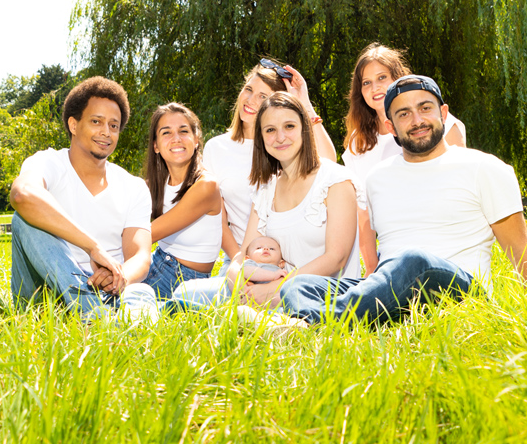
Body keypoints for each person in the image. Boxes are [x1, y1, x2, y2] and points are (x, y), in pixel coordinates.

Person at [281, 75, 527, 325]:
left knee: (414, 261)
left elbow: (521, 251)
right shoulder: (376, 179)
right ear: (391, 126)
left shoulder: (484, 168)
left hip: (459, 292)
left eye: (425, 108)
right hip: (394, 288)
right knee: (298, 284)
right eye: (404, 114)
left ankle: (312, 321)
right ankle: (321, 323)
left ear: (443, 113)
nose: (417, 120)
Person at [173, 92, 362, 310]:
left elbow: (336, 258)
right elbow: (242, 256)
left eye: (289, 126)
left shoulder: (335, 180)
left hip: (320, 293)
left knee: (234, 312)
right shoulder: (267, 187)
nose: (280, 137)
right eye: (270, 130)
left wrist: (277, 289)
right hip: (264, 284)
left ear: (304, 129)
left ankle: (270, 323)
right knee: (186, 293)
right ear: (262, 138)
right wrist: (238, 281)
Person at [10, 76, 158, 320]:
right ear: (73, 125)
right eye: (96, 121)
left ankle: (109, 318)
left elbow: (140, 256)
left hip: (107, 291)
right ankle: (96, 315)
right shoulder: (48, 162)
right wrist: (93, 248)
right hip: (45, 295)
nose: (106, 132)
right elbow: (22, 194)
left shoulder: (133, 187)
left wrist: (118, 276)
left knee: (141, 290)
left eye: (113, 125)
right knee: (24, 219)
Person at [342, 44, 466, 267]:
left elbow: (461, 188)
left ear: (398, 79)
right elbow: (364, 215)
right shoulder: (356, 144)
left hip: (444, 246)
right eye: (366, 83)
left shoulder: (440, 125)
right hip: (392, 253)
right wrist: (371, 271)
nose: (375, 88)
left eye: (382, 77)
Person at [202, 59, 337, 264]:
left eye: (263, 96)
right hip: (243, 256)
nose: (251, 100)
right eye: (248, 89)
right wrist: (241, 261)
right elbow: (217, 219)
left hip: (292, 258)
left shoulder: (284, 144)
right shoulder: (216, 148)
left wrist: (304, 104)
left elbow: (329, 164)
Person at [142, 103, 222, 298]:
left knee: (108, 301)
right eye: (166, 133)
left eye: (183, 131)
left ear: (195, 140)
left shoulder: (206, 186)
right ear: (156, 146)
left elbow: (147, 234)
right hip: (157, 261)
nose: (176, 139)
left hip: (182, 278)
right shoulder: (157, 184)